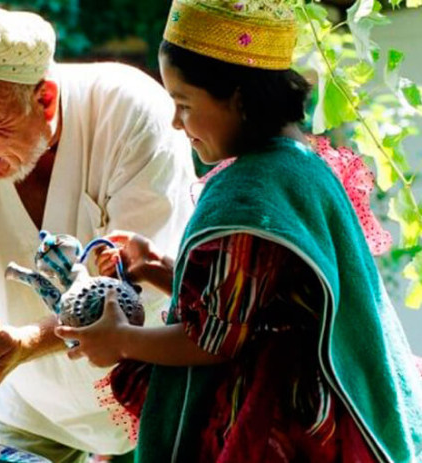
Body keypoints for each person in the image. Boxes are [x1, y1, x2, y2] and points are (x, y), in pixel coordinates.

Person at [55, 0, 422, 461]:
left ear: (240, 99)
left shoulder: (250, 195)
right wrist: (156, 268)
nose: (174, 122)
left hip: (279, 429)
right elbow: (254, 296)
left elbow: (212, 339)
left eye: (184, 104)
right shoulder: (298, 168)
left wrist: (120, 340)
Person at [0, 6, 195, 462]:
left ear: (46, 99)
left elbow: (140, 292)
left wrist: (27, 343)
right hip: (32, 407)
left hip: (150, 393)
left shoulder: (132, 112)